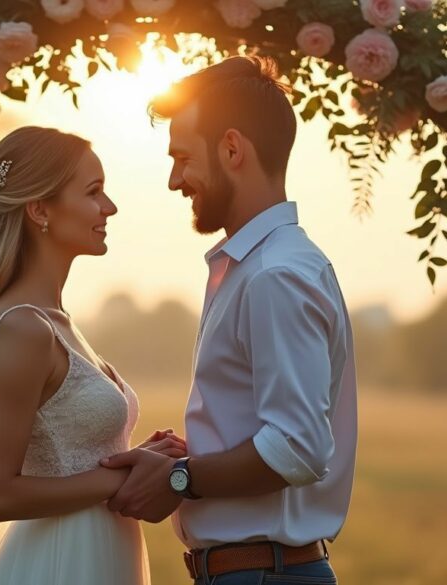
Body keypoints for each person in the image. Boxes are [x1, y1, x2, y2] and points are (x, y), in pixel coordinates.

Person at [100, 55, 359, 585]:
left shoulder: (274, 275)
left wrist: (177, 478)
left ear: (233, 148)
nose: (175, 180)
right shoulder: (256, 268)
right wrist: (195, 455)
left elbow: (297, 447)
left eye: (182, 157)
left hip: (264, 575)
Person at [0, 126, 185, 585]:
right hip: (60, 561)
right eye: (94, 192)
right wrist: (127, 478)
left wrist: (139, 458)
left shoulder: (59, 322)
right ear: (39, 210)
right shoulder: (23, 327)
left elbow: (73, 457)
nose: (109, 207)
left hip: (99, 552)